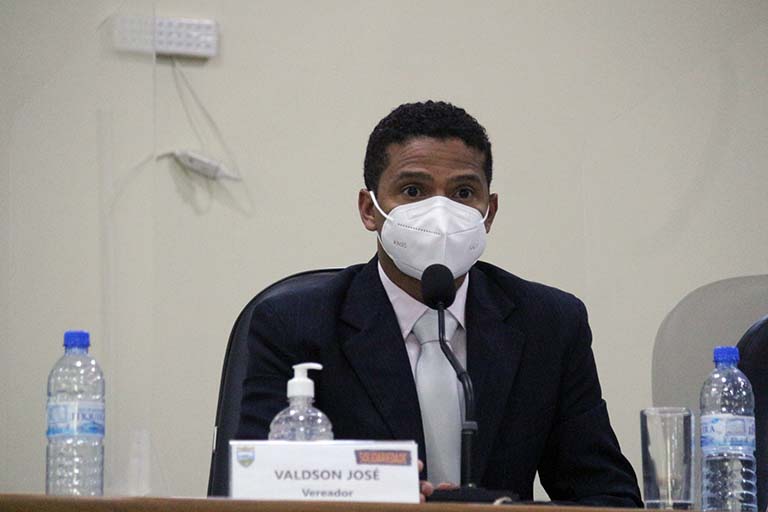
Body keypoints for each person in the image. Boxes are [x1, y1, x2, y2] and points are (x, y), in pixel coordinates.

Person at [237, 101, 642, 507]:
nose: (440, 213)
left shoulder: (550, 324)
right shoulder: (294, 324)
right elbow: (253, 493)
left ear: (489, 213)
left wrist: (489, 507)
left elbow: (609, 500)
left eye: (463, 193)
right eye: (413, 191)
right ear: (369, 210)